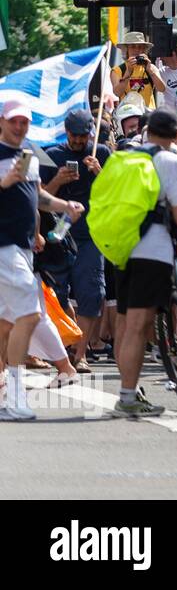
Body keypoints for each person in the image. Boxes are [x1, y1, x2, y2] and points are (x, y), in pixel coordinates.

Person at [0, 102, 86, 420]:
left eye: (24, 121)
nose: (20, 127)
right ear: (2, 122)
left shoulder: (28, 155)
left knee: (9, 321)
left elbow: (38, 198)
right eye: (14, 121)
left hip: (21, 248)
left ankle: (7, 393)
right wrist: (4, 182)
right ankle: (15, 397)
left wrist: (66, 206)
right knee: (30, 315)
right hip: (4, 248)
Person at [112, 109, 177, 417]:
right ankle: (127, 397)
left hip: (122, 247)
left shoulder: (127, 159)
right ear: (176, 136)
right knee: (137, 326)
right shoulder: (172, 161)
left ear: (146, 132)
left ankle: (127, 389)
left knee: (124, 322)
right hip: (153, 250)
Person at [40, 108, 111, 373]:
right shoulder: (53, 155)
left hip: (92, 232)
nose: (80, 141)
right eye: (75, 135)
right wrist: (58, 179)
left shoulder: (100, 152)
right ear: (66, 132)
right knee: (57, 294)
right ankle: (65, 346)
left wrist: (100, 172)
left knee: (93, 292)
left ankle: (80, 354)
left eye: (84, 135)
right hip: (59, 232)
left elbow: (116, 190)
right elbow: (41, 197)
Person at [109, 31, 165, 109]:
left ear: (144, 50)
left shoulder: (151, 68)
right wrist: (128, 72)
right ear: (126, 49)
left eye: (140, 47)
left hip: (147, 114)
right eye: (133, 46)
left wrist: (150, 71)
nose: (137, 50)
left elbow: (162, 89)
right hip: (127, 114)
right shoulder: (117, 70)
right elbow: (117, 93)